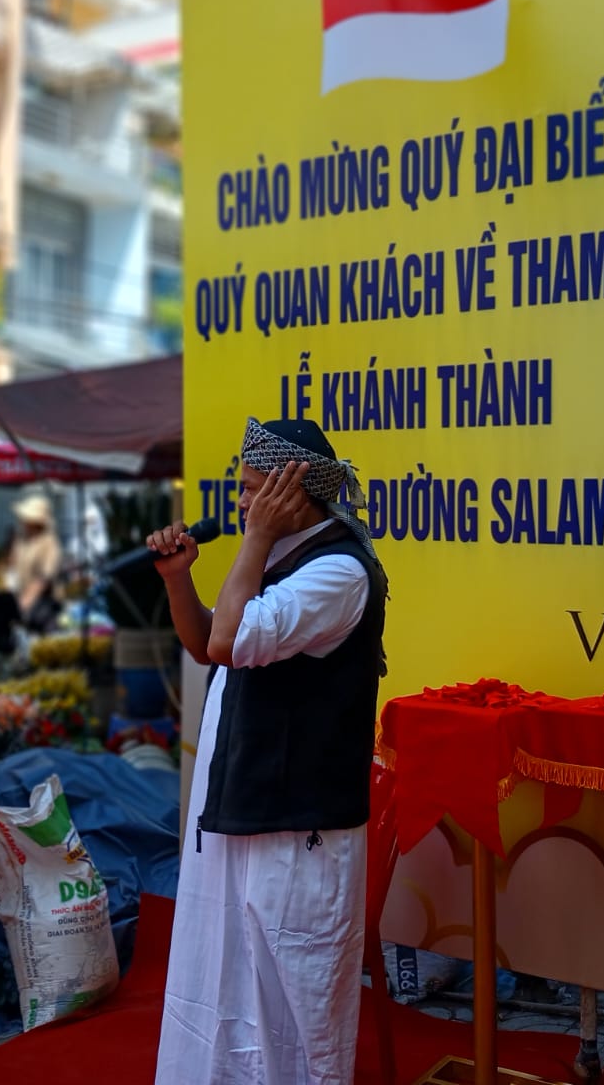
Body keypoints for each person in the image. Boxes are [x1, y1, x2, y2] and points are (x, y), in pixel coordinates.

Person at [148, 418, 389, 1085]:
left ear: (293, 492)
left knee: (292, 1006)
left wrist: (252, 542)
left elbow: (229, 641)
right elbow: (207, 647)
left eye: (255, 491)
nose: (242, 504)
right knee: (222, 987)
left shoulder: (338, 571)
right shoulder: (280, 556)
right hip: (244, 811)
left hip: (296, 833)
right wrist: (177, 578)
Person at [5, 492, 62, 630]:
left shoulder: (49, 542)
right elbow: (12, 564)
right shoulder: (22, 539)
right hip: (22, 601)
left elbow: (44, 578)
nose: (22, 521)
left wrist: (24, 602)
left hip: (43, 606)